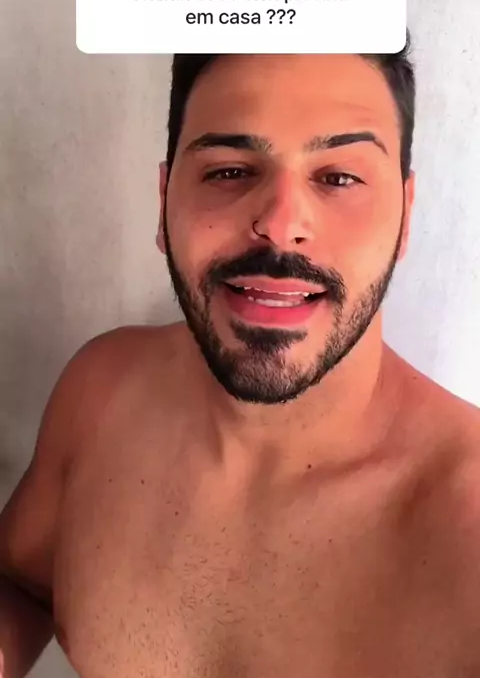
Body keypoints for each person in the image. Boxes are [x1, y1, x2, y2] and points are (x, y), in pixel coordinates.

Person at [1, 46, 479, 678]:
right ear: (164, 201)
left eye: (339, 177)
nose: (280, 226)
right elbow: (24, 580)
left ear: (406, 216)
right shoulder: (99, 393)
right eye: (229, 170)